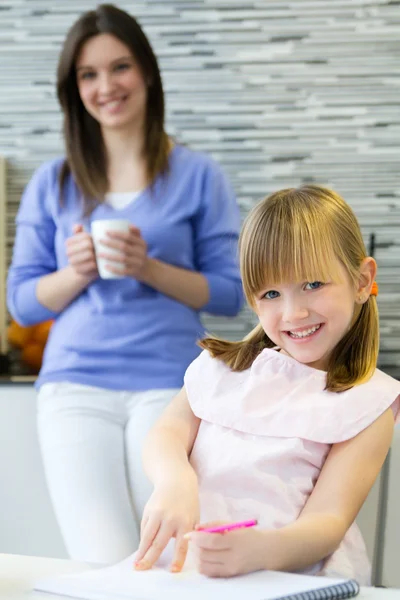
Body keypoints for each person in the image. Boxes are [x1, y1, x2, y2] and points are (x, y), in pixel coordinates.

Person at [6, 4, 243, 564]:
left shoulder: (198, 175)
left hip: (169, 386)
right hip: (74, 387)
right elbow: (20, 304)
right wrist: (75, 272)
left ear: (148, 73)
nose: (106, 86)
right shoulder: (53, 182)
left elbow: (233, 295)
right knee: (100, 559)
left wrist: (148, 266)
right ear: (74, 90)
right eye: (88, 75)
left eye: (120, 67)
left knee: (166, 557)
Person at [135, 185, 400, 584]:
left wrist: (260, 551)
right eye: (271, 293)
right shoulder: (221, 368)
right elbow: (166, 433)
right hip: (194, 571)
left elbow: (329, 520)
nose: (294, 312)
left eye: (313, 284)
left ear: (362, 281)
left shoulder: (369, 402)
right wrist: (175, 480)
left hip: (296, 579)